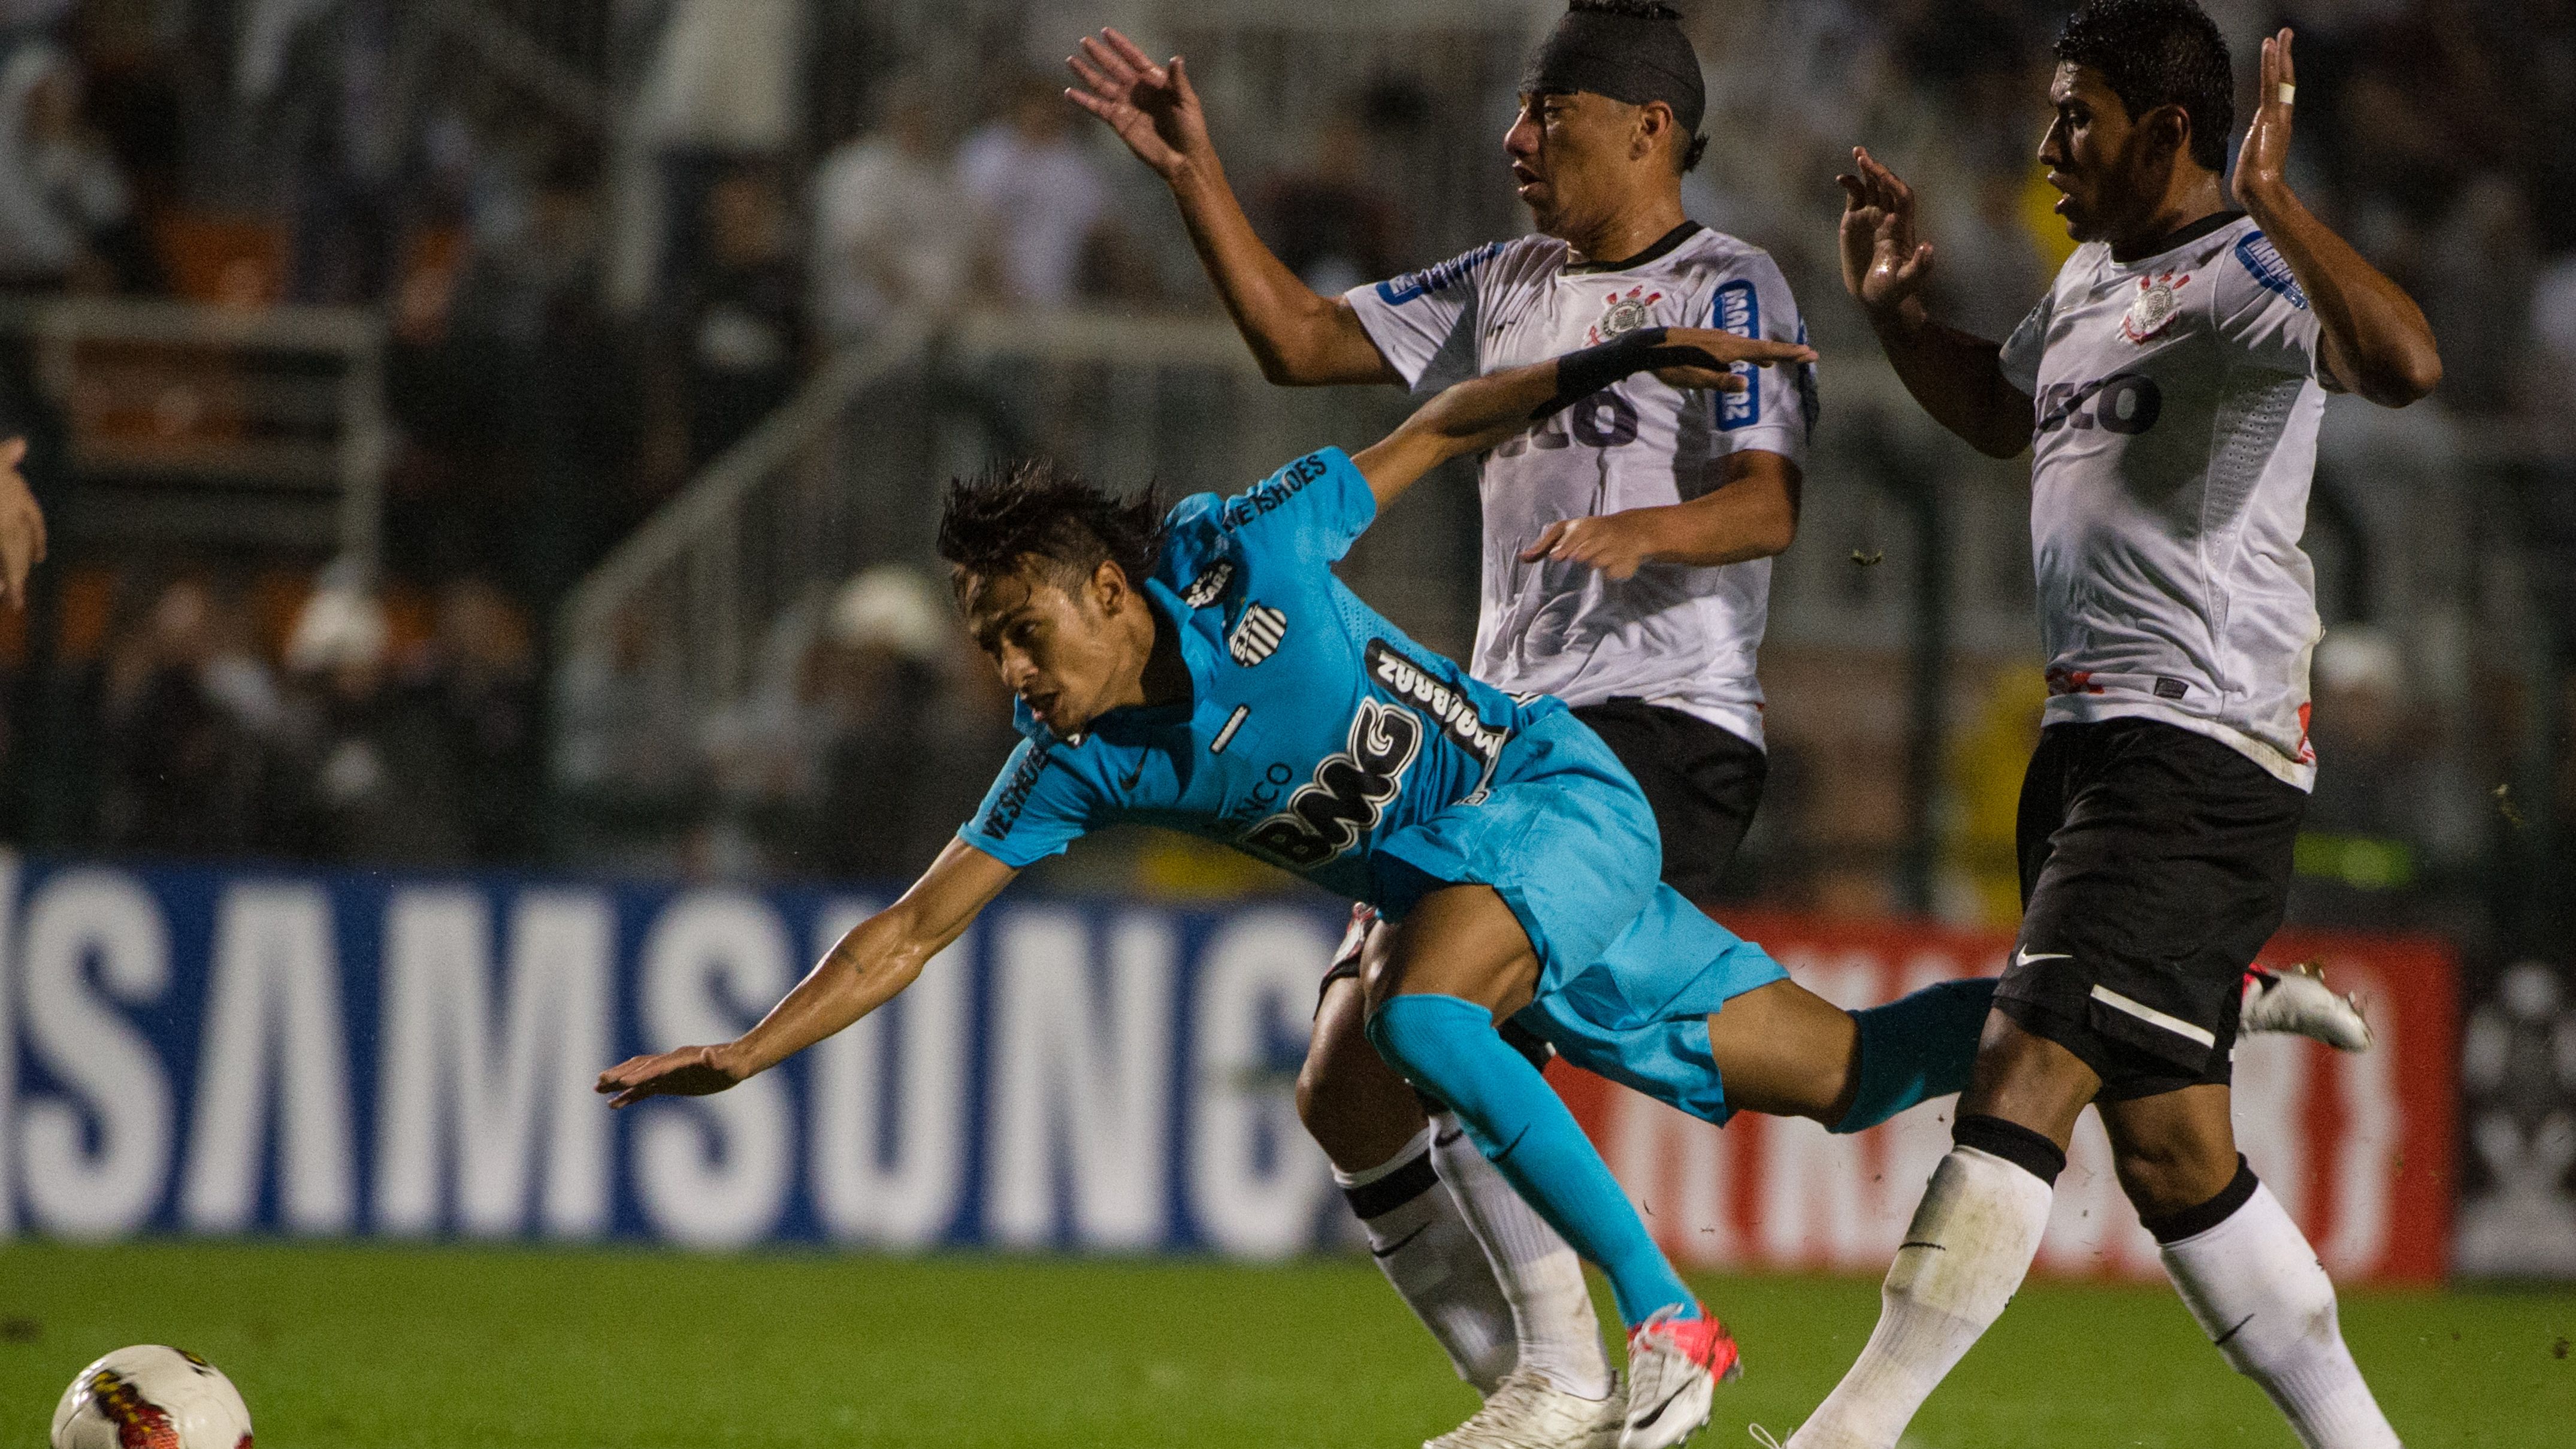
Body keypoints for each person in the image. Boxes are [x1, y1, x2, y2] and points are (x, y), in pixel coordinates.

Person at [1066, 10, 2367, 1446]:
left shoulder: (1728, 284)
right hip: (1502, 739)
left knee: (1417, 1001)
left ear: (1642, 127)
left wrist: (1648, 531)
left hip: (1656, 731)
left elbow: (1768, 505)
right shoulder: (1503, 283)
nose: (1512, 141)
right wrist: (1191, 175)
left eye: (1542, 111)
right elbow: (1297, 340)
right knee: (1749, 1075)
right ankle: (2189, 1001)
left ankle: (1577, 1373)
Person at [1785, 7, 2439, 1448]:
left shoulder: (2253, 273)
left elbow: (2404, 362)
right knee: (2169, 1148)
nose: (2045, 146)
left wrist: (2272, 194)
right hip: (2086, 746)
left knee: (2025, 1062)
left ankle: (1850, 1430)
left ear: (2163, 132)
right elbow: (2002, 413)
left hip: (2197, 749)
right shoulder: (2086, 279)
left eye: (2073, 115)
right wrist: (1895, 314)